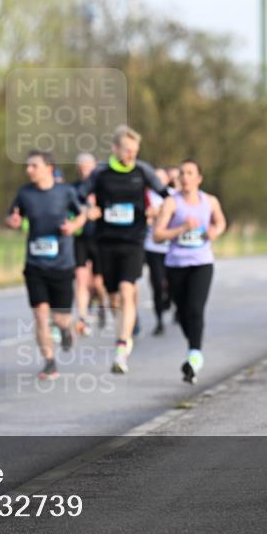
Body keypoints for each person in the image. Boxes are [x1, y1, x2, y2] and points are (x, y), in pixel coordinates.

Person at [79, 125, 170, 374]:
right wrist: (89, 210)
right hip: (106, 240)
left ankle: (121, 348)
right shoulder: (101, 171)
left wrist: (160, 211)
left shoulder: (143, 171)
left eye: (134, 150)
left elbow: (168, 195)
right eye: (127, 150)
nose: (131, 155)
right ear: (115, 148)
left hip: (134, 239)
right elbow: (79, 195)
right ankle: (125, 330)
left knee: (127, 289)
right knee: (113, 297)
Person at [5, 151, 86, 380]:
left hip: (62, 264)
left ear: (48, 167)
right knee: (40, 315)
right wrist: (13, 222)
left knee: (60, 317)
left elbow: (83, 214)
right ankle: (50, 363)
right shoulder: (24, 193)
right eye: (28, 166)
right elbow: (12, 216)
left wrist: (73, 225)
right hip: (35, 264)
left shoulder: (66, 191)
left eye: (34, 166)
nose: (28, 170)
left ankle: (65, 329)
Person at [152, 159, 226, 384]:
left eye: (189, 173)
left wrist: (214, 232)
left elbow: (221, 223)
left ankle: (194, 355)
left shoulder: (210, 201)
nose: (184, 177)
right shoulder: (171, 203)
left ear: (199, 178)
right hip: (176, 264)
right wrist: (182, 228)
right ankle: (193, 346)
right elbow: (157, 235)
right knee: (183, 312)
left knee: (195, 308)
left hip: (202, 263)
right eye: (182, 173)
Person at [72, 152, 106, 336]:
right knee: (81, 278)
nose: (85, 171)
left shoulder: (102, 187)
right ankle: (83, 318)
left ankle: (101, 305)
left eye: (88, 167)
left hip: (99, 239)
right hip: (80, 238)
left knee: (99, 283)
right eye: (82, 167)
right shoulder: (74, 189)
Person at [143, 167, 172, 335]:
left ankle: (170, 301)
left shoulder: (173, 196)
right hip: (152, 246)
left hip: (171, 248)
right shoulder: (146, 196)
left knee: (171, 283)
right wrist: (149, 216)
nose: (158, 181)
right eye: (156, 178)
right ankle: (159, 320)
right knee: (157, 284)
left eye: (162, 178)